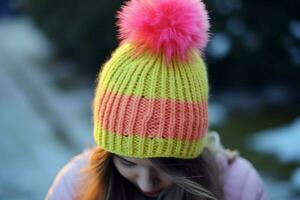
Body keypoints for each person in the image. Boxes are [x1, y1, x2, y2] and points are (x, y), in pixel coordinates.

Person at [46, 0, 267, 199]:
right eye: (128, 162)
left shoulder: (240, 187)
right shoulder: (73, 186)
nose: (146, 183)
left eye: (167, 165)